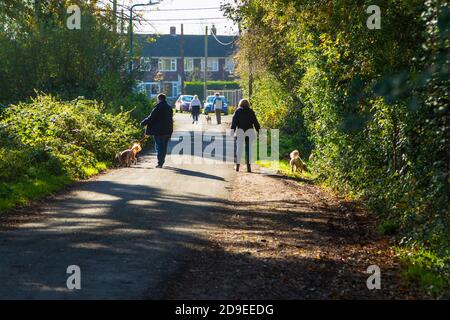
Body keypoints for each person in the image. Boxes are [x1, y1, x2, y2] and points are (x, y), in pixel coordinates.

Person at [141, 93, 173, 168]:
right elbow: (170, 119)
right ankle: (161, 161)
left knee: (159, 146)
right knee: (163, 147)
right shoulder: (169, 107)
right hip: (167, 130)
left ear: (159, 99)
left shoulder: (158, 107)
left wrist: (143, 123)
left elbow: (151, 117)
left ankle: (160, 163)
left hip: (159, 131)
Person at [231, 99, 260, 173]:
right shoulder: (251, 111)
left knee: (239, 149)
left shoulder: (237, 111)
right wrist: (259, 131)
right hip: (249, 132)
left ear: (240, 104)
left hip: (240, 132)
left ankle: (237, 166)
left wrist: (232, 132)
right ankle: (248, 167)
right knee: (248, 150)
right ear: (248, 104)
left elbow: (234, 122)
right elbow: (255, 122)